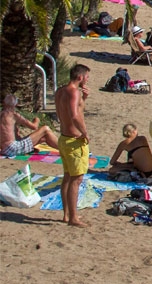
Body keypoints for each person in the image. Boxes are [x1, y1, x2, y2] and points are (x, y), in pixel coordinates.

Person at [54, 63, 91, 227]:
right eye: (87, 76)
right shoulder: (73, 91)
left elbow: (65, 111)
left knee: (68, 177)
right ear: (81, 77)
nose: (88, 80)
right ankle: (73, 218)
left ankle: (66, 214)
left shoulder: (60, 91)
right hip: (73, 140)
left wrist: (84, 100)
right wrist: (84, 133)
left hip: (63, 138)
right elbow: (75, 116)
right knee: (76, 179)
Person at [2, 93, 61, 158]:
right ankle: (65, 150)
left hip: (5, 150)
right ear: (15, 104)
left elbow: (16, 136)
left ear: (4, 103)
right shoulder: (13, 115)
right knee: (45, 129)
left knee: (43, 138)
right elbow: (34, 126)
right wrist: (37, 119)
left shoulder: (1, 115)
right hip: (13, 148)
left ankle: (62, 150)